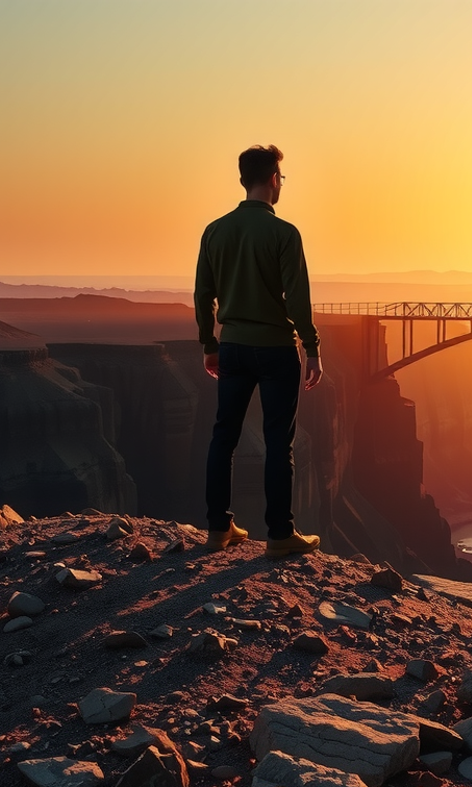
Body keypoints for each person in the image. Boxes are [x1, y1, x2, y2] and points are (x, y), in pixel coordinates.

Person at [194, 144, 323, 556]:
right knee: (277, 444)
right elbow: (298, 299)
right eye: (281, 178)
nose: (280, 185)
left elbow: (203, 296)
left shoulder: (215, 231)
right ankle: (280, 535)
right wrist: (313, 348)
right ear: (272, 180)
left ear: (242, 180)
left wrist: (209, 344)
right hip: (275, 351)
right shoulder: (284, 234)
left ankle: (218, 529)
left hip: (232, 347)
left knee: (223, 437)